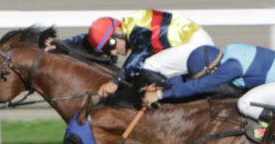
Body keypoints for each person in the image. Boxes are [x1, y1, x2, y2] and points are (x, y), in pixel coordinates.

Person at [140, 42, 275, 122]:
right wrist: (162, 85)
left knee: (245, 103)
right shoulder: (228, 53)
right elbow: (192, 79)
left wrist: (161, 95)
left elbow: (200, 85)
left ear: (212, 70)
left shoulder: (231, 68)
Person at [70, 10, 217, 97]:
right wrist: (62, 43)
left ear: (118, 31)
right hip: (194, 44)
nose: (114, 52)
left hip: (197, 46)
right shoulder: (129, 26)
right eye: (108, 50)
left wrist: (116, 81)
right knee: (143, 72)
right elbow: (88, 39)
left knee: (149, 65)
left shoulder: (136, 29)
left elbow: (142, 52)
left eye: (112, 45)